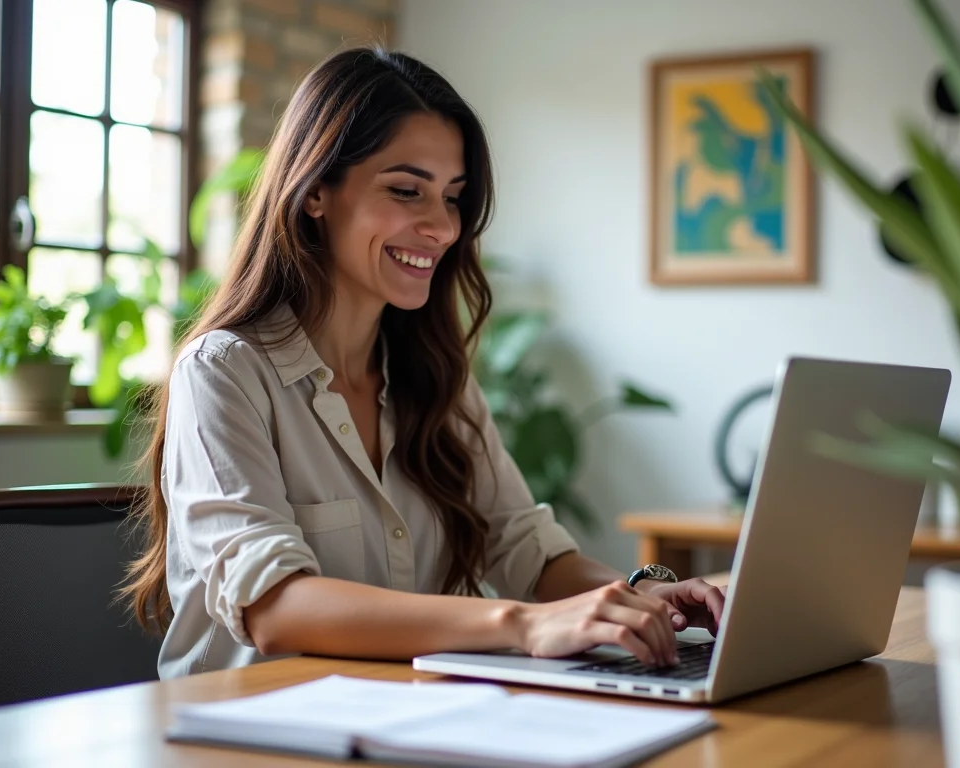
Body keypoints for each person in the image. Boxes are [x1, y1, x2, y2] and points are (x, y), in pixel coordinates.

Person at [120, 46, 725, 680]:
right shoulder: (224, 372)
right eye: (407, 191)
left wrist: (637, 597)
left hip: (413, 715)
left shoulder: (437, 380)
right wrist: (521, 625)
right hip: (247, 730)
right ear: (316, 192)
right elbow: (274, 606)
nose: (441, 227)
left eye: (454, 198)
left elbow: (523, 546)